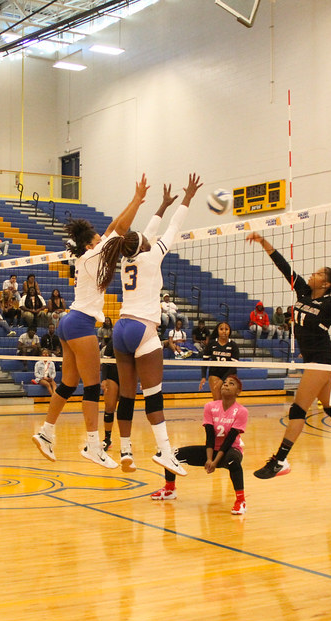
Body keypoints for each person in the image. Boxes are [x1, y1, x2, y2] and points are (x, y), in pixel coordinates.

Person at [32, 175, 148, 469]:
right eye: (98, 239)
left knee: (69, 383)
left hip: (68, 323)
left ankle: (46, 432)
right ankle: (94, 447)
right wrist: (136, 201)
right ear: (90, 244)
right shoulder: (94, 254)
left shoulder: (90, 257)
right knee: (93, 386)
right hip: (80, 324)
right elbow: (119, 229)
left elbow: (112, 230)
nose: (102, 240)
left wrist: (133, 201)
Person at [101, 174, 200, 477]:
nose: (147, 236)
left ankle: (126, 450)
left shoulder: (126, 259)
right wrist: (187, 199)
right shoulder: (152, 255)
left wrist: (161, 204)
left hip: (121, 329)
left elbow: (148, 231)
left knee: (127, 395)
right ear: (143, 245)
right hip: (143, 329)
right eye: (144, 237)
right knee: (153, 395)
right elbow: (172, 229)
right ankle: (165, 452)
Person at [245, 232, 331, 479]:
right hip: (310, 358)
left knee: (298, 409)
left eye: (319, 274)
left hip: (321, 358)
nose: (313, 275)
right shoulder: (303, 292)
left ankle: (280, 460)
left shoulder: (329, 304)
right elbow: (283, 265)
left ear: (327, 284)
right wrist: (263, 241)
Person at [150, 374, 249, 515]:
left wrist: (215, 462)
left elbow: (229, 440)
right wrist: (209, 459)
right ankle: (169, 489)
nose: (226, 384)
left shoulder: (241, 411)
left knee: (233, 461)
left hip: (230, 450)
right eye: (225, 382)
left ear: (238, 392)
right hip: (211, 449)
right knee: (171, 455)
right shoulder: (210, 406)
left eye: (231, 383)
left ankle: (240, 501)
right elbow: (209, 435)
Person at [198, 322, 241, 400]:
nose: (224, 331)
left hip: (229, 374)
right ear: (217, 330)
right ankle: (217, 411)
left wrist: (222, 381)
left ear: (230, 331)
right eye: (221, 329)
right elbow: (205, 361)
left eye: (226, 329)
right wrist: (203, 376)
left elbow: (234, 367)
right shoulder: (212, 343)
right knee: (218, 399)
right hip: (215, 373)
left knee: (228, 400)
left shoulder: (233, 345)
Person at [99, 337, 119, 451]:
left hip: (127, 375)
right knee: (110, 407)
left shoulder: (133, 340)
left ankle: (126, 440)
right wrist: (104, 379)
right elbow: (106, 362)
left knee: (125, 408)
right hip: (112, 376)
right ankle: (107, 438)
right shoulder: (113, 342)